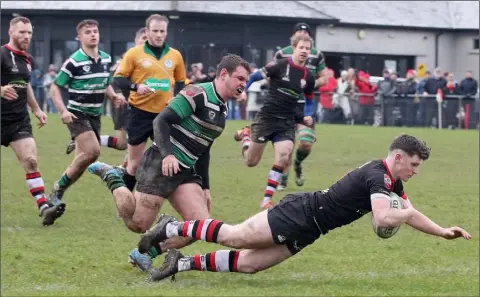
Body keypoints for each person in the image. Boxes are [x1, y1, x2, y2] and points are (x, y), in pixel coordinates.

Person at [138, 134, 472, 282]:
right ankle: (170, 228)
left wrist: (442, 231)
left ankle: (180, 263)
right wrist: (408, 215)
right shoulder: (377, 176)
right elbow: (385, 218)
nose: (415, 171)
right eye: (413, 164)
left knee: (250, 265)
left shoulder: (393, 182)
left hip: (312, 228)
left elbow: (403, 213)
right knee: (235, 237)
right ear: (397, 157)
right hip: (300, 212)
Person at [87, 54, 251, 272]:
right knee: (138, 224)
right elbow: (161, 120)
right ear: (224, 74)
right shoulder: (197, 94)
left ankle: (143, 253)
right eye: (240, 78)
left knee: (200, 226)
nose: (243, 85)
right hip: (161, 162)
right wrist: (168, 155)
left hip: (185, 170)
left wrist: (205, 186)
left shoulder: (223, 108)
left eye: (245, 81)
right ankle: (114, 178)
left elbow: (204, 149)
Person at [47, 19, 125, 217]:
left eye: (95, 31)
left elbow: (106, 83)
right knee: (93, 151)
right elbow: (55, 87)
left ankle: (58, 192)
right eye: (88, 32)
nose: (93, 34)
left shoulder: (106, 59)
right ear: (79, 37)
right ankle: (57, 188)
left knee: (83, 162)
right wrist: (63, 111)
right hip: (77, 113)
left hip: (95, 115)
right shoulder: (74, 61)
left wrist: (113, 96)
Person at [234, 34, 316, 209]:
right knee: (251, 161)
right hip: (267, 118)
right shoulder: (280, 65)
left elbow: (309, 99)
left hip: (286, 121)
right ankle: (246, 137)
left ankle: (266, 200)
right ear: (294, 48)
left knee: (284, 156)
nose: (304, 51)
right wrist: (242, 91)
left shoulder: (308, 76)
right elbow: (255, 76)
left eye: (307, 49)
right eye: (301, 47)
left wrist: (308, 114)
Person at [110, 14, 187, 194]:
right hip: (139, 114)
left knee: (168, 160)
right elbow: (118, 79)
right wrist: (136, 86)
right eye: (155, 31)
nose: (159, 35)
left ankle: (155, 198)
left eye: (162, 31)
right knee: (134, 164)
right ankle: (123, 200)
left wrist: (176, 97)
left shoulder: (175, 56)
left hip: (165, 115)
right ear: (147, 31)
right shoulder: (134, 54)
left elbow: (181, 81)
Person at [1, 16, 62, 226]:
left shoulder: (26, 59)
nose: (26, 36)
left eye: (29, 33)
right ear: (11, 32)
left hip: (18, 120)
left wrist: (36, 109)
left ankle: (44, 206)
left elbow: (25, 85)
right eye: (22, 32)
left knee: (31, 161)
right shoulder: (1, 54)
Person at [65, 28, 148, 166]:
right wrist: (117, 94)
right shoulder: (129, 57)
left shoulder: (149, 58)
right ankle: (124, 172)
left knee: (122, 144)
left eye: (148, 39)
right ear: (136, 40)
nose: (146, 42)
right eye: (143, 39)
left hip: (139, 106)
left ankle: (89, 142)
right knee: (133, 143)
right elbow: (113, 78)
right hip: (124, 105)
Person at [273, 22, 327, 190]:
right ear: (294, 37)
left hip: (305, 105)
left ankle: (297, 164)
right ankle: (283, 177)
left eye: (306, 32)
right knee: (287, 145)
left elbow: (324, 78)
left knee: (305, 143)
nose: (303, 33)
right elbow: (272, 76)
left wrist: (308, 84)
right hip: (285, 105)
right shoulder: (281, 54)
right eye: (299, 31)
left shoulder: (316, 54)